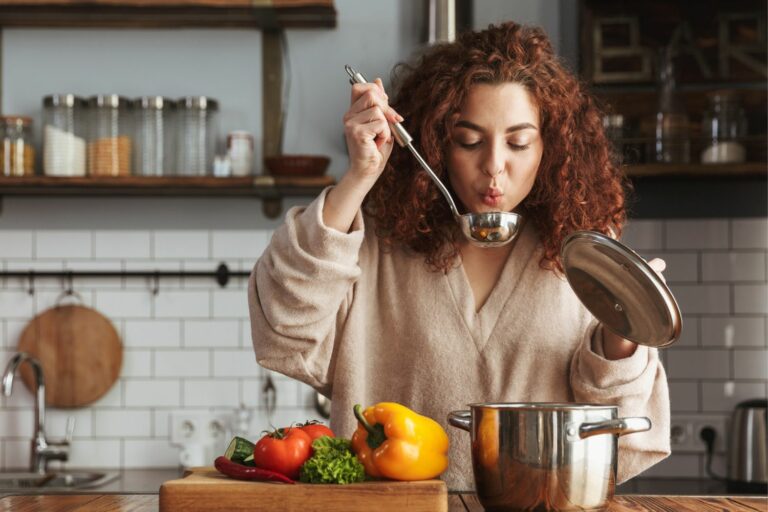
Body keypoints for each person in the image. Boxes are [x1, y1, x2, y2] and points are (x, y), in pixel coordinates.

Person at [248, 21, 670, 490]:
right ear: (436, 143)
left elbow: (620, 429)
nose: (494, 165)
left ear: (550, 148)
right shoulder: (375, 247)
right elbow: (284, 329)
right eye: (469, 140)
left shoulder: (586, 256)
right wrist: (359, 178)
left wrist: (623, 331)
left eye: (518, 142)